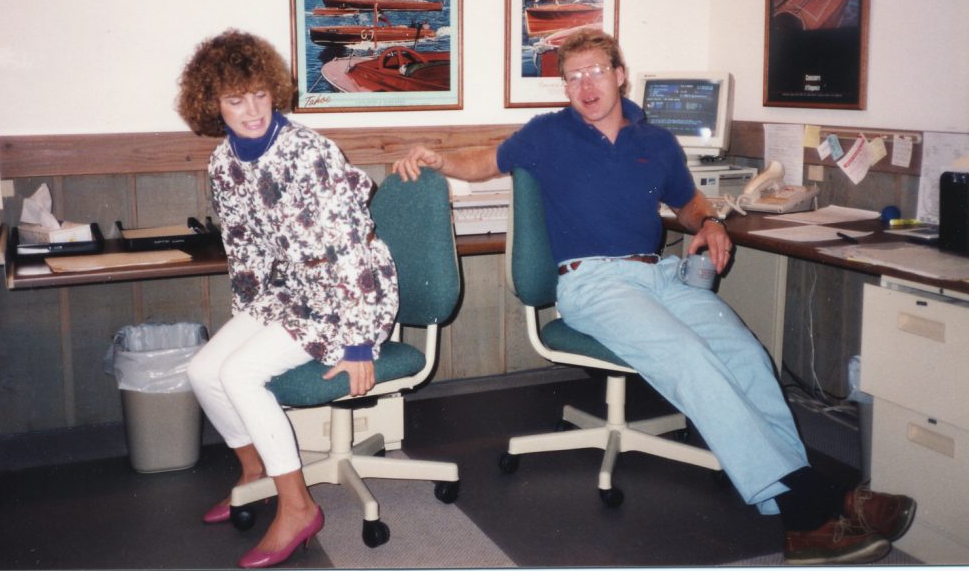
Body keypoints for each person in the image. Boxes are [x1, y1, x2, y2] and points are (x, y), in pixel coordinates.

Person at [393, 28, 915, 565]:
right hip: (592, 282)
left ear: (620, 75)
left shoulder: (656, 142)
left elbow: (686, 201)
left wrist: (709, 224)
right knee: (687, 357)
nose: (585, 85)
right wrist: (438, 158)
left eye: (595, 71)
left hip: (660, 275)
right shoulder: (547, 134)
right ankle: (813, 508)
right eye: (572, 77)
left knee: (745, 354)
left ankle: (798, 500)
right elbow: (483, 162)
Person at [177, 29, 399, 569]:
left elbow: (351, 249)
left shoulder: (309, 153)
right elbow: (244, 249)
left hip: (347, 297)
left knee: (241, 376)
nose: (251, 110)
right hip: (285, 294)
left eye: (259, 94)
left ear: (272, 90)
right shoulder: (224, 162)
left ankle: (298, 508)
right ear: (214, 104)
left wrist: (360, 343)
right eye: (235, 99)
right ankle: (255, 473)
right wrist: (244, 321)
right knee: (205, 368)